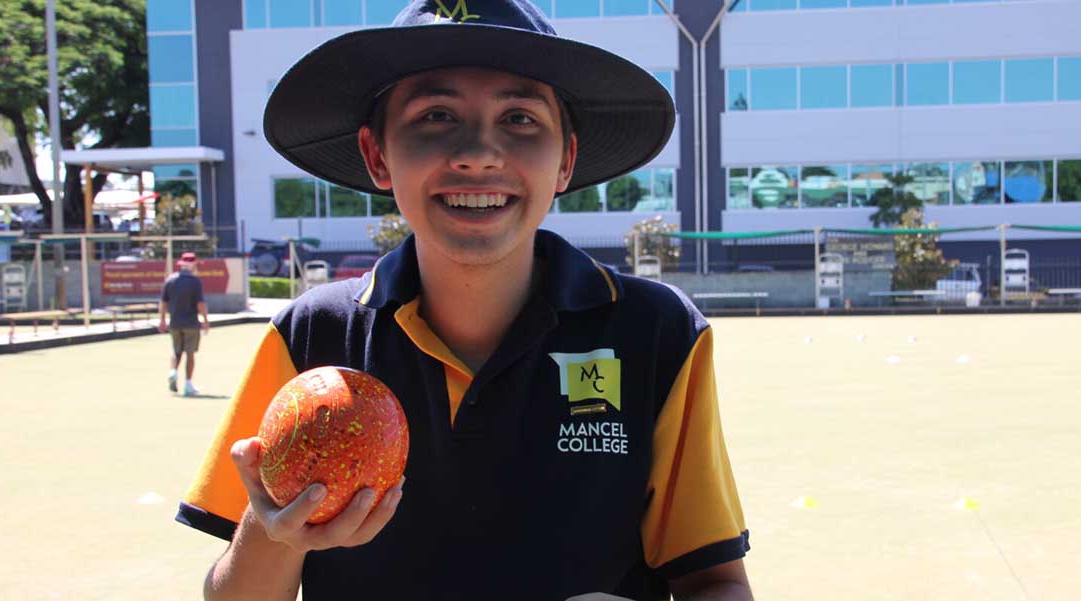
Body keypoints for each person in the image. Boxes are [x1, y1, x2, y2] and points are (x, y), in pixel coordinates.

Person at [177, 1, 751, 598]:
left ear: (566, 160)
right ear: (377, 156)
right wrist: (273, 533)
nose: (478, 152)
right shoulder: (311, 337)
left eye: (520, 118)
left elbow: (716, 581)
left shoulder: (655, 332)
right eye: (437, 114)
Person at [159, 251, 210, 397]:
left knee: (176, 351)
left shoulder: (170, 280)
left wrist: (162, 319)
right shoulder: (195, 282)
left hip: (174, 322)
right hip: (191, 323)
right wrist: (205, 321)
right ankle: (188, 384)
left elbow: (163, 302)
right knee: (190, 353)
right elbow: (200, 303)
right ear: (193, 265)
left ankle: (173, 372)